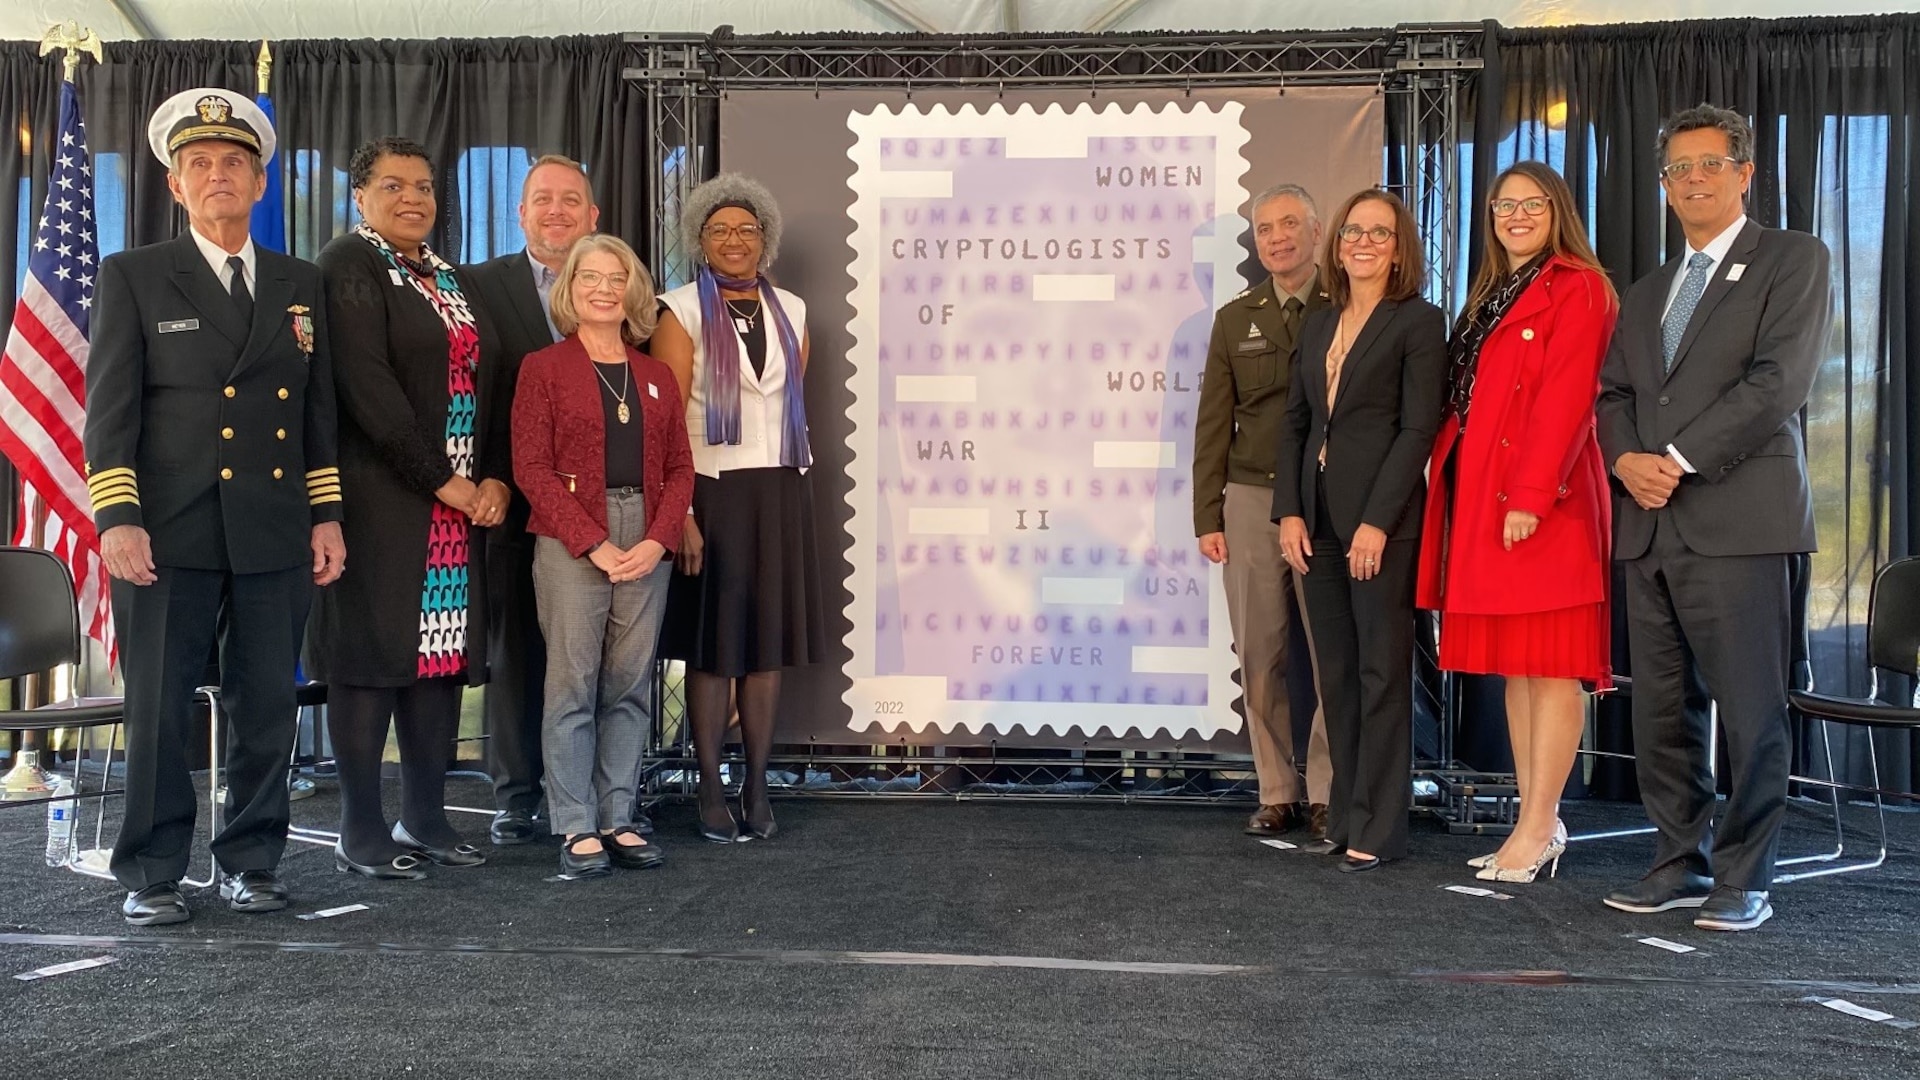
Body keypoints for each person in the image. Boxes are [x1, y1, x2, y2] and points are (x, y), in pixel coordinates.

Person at [86, 88, 345, 925]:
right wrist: (116, 517)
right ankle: (153, 872)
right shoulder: (133, 276)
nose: (217, 176)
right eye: (199, 164)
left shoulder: (301, 283)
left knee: (265, 703)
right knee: (160, 707)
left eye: (234, 163)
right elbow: (110, 412)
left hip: (273, 526)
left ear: (260, 183)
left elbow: (317, 411)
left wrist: (327, 513)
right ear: (175, 184)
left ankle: (253, 858)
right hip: (168, 527)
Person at [1596, 105, 1829, 932]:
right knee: (1661, 711)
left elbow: (1778, 383)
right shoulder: (1650, 289)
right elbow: (1615, 394)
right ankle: (1677, 861)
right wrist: (1625, 461)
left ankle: (1746, 877)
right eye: (1677, 170)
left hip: (1740, 521)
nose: (1692, 180)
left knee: (1752, 709)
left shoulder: (1794, 260)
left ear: (1744, 172)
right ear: (1663, 185)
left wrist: (1678, 461)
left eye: (1708, 165)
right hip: (1651, 527)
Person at [308, 136, 509, 879]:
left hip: (455, 511)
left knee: (438, 660)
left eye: (424, 186)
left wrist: (491, 478)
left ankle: (424, 815)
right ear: (360, 196)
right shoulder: (348, 265)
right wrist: (444, 480)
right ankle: (361, 828)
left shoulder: (450, 278)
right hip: (379, 500)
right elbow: (367, 389)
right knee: (371, 662)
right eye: (393, 186)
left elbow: (490, 384)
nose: (413, 198)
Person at [1415, 162, 1619, 884]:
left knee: (1554, 667)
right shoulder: (1492, 292)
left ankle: (1537, 829)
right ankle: (1535, 823)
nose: (1516, 216)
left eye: (1532, 204)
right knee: (1518, 669)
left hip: (1545, 502)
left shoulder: (1581, 287)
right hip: (1484, 496)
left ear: (1557, 209)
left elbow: (1569, 397)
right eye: (1504, 205)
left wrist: (1531, 494)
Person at [1273, 189, 1447, 874]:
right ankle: (1343, 813)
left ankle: (1381, 822)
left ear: (1399, 247)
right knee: (1337, 677)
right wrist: (1289, 509)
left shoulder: (1419, 321)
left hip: (1384, 526)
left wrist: (1377, 520)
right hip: (1313, 524)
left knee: (1380, 675)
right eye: (1353, 232)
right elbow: (1294, 423)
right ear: (1338, 245)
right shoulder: (1319, 323)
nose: (1363, 243)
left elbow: (1417, 429)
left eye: (1379, 233)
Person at [652, 173, 827, 844]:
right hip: (711, 489)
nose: (734, 240)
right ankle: (708, 783)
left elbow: (784, 403)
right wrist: (682, 514)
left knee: (765, 647)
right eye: (720, 230)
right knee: (714, 648)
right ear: (700, 240)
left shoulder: (795, 310)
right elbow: (666, 424)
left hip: (780, 488)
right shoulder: (679, 311)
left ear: (765, 240)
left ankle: (756, 782)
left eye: (746, 230)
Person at [512, 235, 693, 877]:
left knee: (629, 686)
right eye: (591, 276)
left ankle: (619, 815)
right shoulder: (544, 367)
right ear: (571, 287)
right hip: (570, 537)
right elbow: (529, 468)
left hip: (645, 535)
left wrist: (655, 539)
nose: (604, 287)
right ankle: (575, 824)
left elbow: (679, 468)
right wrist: (592, 541)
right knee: (571, 686)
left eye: (617, 277)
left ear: (633, 290)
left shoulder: (655, 376)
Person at [464, 154, 602, 847]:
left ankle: (593, 791)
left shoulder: (616, 286)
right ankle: (517, 795)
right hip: (511, 505)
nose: (556, 212)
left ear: (592, 215)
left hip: (605, 516)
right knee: (517, 653)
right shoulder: (476, 287)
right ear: (520, 214)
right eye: (542, 200)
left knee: (590, 658)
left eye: (570, 201)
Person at [1192, 183, 1334, 840]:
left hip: (1327, 497)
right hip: (1250, 500)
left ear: (1315, 229)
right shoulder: (1234, 318)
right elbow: (1213, 426)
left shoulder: (1345, 307)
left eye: (1288, 224)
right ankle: (1279, 790)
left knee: (1331, 649)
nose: (1276, 238)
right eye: (1265, 229)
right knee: (1259, 652)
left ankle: (1330, 789)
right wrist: (1207, 515)